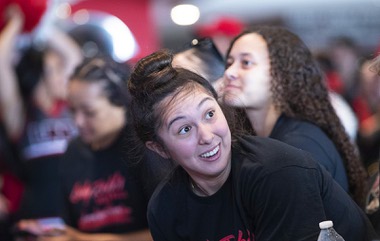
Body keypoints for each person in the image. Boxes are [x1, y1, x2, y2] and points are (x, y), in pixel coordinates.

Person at [127, 49, 377, 241]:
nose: (206, 136)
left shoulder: (278, 173)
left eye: (210, 115)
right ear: (158, 147)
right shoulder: (165, 209)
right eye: (184, 129)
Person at [221, 25, 368, 207]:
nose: (229, 73)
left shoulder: (299, 147)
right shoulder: (270, 138)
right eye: (229, 63)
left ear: (281, 75)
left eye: (246, 63)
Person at [16, 57, 154, 240]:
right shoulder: (73, 152)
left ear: (121, 103)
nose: (78, 122)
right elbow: (71, 228)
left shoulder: (146, 147)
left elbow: (166, 234)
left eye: (89, 112)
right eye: (72, 111)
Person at [0, 5, 81, 220]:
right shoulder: (20, 113)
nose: (64, 74)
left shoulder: (72, 107)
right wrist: (15, 24)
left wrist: (39, 26)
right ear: (38, 73)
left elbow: (73, 56)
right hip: (38, 218)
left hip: (80, 216)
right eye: (56, 69)